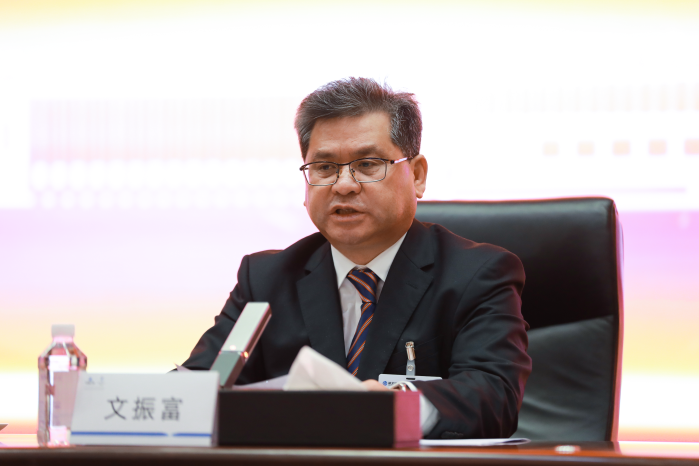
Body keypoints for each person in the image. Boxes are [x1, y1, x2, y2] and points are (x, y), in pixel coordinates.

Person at [181, 77, 532, 439]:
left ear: (418, 176)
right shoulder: (265, 278)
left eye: (367, 164)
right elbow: (194, 389)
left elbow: (493, 397)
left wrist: (392, 406)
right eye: (324, 168)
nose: (343, 185)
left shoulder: (478, 274)